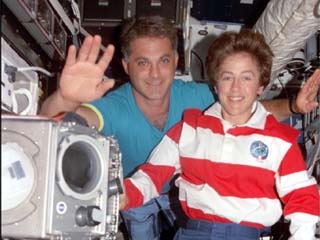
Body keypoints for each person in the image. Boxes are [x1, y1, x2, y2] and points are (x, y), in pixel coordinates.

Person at [40, 16, 320, 240]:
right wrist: (67, 98)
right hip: (155, 204)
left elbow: (245, 109)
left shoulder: (270, 136)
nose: (154, 74)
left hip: (203, 210)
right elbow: (63, 125)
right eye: (142, 62)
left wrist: (293, 107)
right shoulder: (184, 124)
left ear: (175, 62)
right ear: (126, 66)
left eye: (163, 61)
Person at [120, 29, 320, 240]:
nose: (235, 88)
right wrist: (123, 196)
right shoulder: (188, 129)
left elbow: (302, 196)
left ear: (261, 85)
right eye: (227, 77)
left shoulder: (280, 140)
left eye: (246, 78)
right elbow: (151, 176)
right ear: (215, 84)